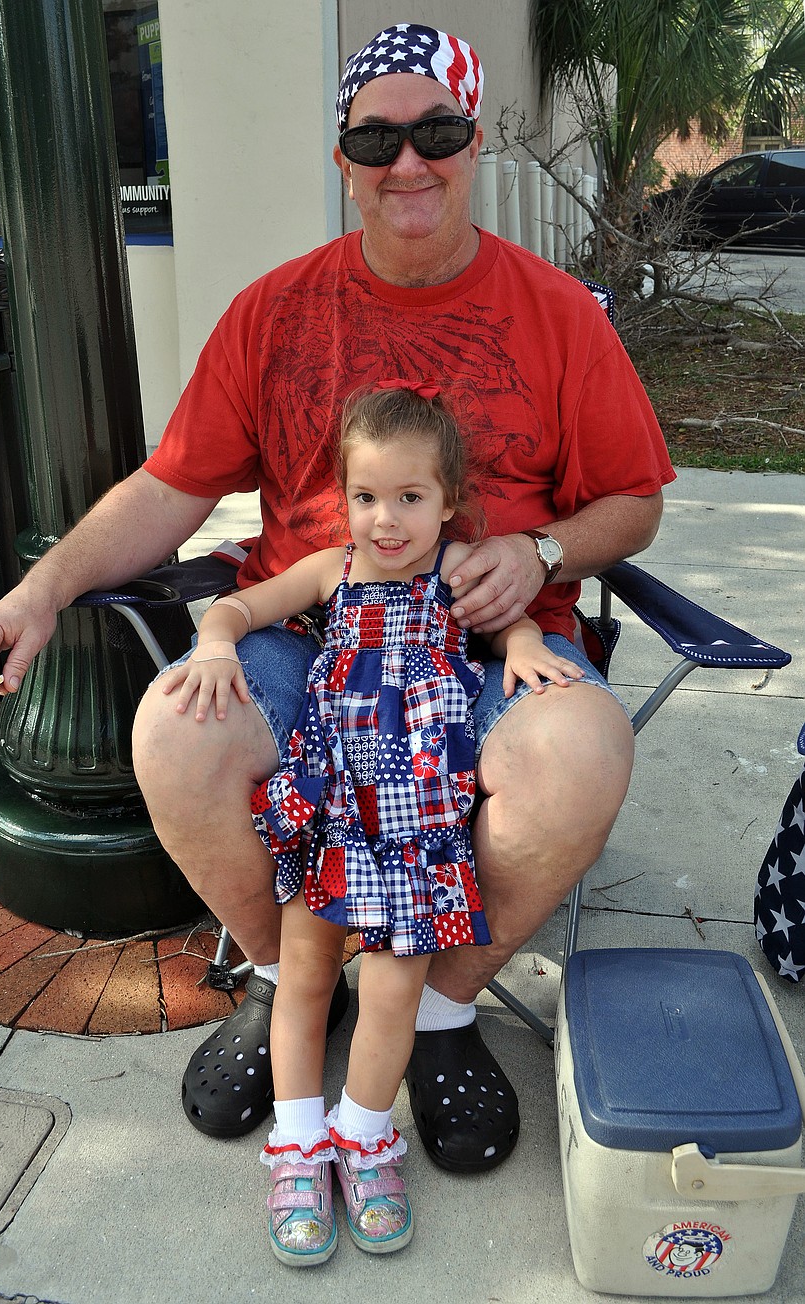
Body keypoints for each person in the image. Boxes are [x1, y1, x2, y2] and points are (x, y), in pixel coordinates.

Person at [0, 22, 676, 1176]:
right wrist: (41, 589)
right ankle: (286, 972)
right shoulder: (273, 312)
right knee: (173, 737)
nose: (407, 163)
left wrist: (542, 551)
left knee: (578, 757)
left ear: (473, 140)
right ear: (341, 153)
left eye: (434, 132)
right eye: (374, 137)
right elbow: (167, 486)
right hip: (306, 640)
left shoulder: (556, 317)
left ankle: (435, 1009)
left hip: (491, 650)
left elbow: (633, 501)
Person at [161, 380, 583, 1262]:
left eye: (409, 498)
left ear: (449, 503)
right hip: (333, 820)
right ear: (342, 498)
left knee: (392, 992)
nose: (385, 520)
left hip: (420, 832)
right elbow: (243, 606)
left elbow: (507, 628)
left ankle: (364, 1139)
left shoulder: (456, 578)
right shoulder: (331, 574)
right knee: (305, 976)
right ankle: (299, 1143)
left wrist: (530, 643)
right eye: (365, 497)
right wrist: (214, 641)